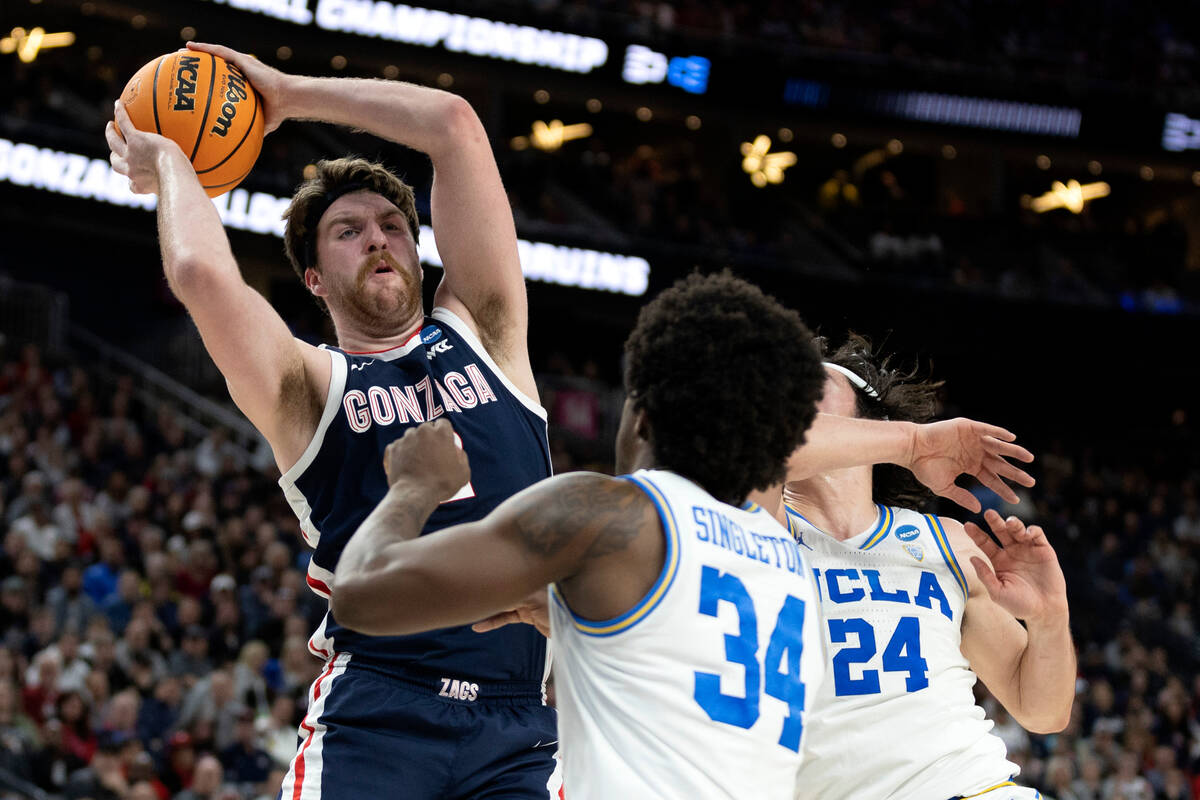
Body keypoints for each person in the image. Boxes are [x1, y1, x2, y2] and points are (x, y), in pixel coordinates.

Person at [328, 273, 1037, 797]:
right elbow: (676, 660)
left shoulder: (606, 514)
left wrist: (414, 487)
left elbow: (358, 599)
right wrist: (570, 623)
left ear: (638, 412)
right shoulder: (784, 565)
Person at [105, 42, 557, 798]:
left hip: (521, 728)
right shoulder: (308, 385)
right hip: (379, 712)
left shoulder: (487, 332)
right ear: (313, 278)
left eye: (392, 225)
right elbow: (198, 273)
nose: (379, 236)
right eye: (349, 231)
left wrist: (285, 95)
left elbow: (453, 124)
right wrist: (176, 167)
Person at [778, 335, 1075, 800]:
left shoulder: (947, 541)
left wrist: (1049, 619)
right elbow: (746, 440)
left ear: (870, 417)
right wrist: (913, 443)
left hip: (975, 788)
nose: (787, 392)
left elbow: (1042, 711)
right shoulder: (749, 526)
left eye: (812, 381)